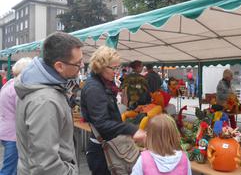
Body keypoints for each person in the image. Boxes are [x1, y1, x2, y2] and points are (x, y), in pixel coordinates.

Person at [14, 32, 83, 175]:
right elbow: (45, 166)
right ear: (59, 66)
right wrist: (70, 172)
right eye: (78, 63)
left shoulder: (42, 87)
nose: (82, 66)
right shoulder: (45, 101)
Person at [81, 46, 146, 175]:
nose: (116, 72)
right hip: (102, 152)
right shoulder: (94, 88)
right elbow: (102, 123)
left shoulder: (102, 83)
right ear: (100, 67)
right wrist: (131, 130)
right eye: (113, 68)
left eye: (118, 67)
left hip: (108, 146)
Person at [0, 57, 32, 175]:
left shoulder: (9, 83)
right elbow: (22, 112)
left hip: (6, 131)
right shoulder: (17, 88)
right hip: (13, 134)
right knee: (9, 169)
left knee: (11, 166)